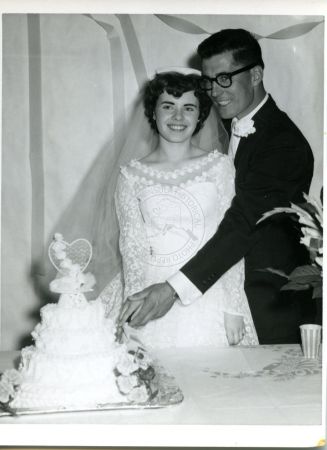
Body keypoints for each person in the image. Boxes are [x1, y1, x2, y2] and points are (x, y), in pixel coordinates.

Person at [120, 29, 316, 345]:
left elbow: (242, 225)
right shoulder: (215, 124)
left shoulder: (284, 144)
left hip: (267, 308)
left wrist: (171, 290)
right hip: (210, 297)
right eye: (209, 81)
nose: (214, 91)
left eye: (224, 78)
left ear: (255, 74)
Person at [100, 69, 258, 348]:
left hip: (210, 288)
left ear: (200, 115)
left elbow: (232, 241)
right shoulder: (131, 175)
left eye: (188, 108)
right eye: (168, 106)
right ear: (153, 112)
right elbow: (132, 247)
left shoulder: (219, 167)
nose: (178, 117)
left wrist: (233, 307)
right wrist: (137, 303)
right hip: (151, 287)